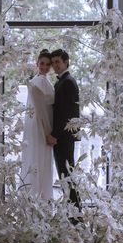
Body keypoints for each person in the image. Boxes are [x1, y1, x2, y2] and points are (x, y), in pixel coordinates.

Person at [46, 49, 81, 210]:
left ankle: (76, 215)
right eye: (53, 62)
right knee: (65, 175)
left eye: (57, 62)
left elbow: (65, 113)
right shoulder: (62, 81)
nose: (55, 65)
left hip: (64, 136)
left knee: (67, 175)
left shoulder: (67, 82)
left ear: (66, 62)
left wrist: (55, 135)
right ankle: (71, 213)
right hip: (64, 135)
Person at [21, 49, 54, 200]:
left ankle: (41, 196)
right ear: (37, 64)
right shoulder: (36, 83)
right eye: (42, 63)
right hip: (40, 126)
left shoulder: (45, 81)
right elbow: (40, 111)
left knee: (42, 160)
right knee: (39, 159)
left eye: (48, 64)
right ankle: (37, 197)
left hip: (44, 124)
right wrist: (47, 132)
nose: (45, 67)